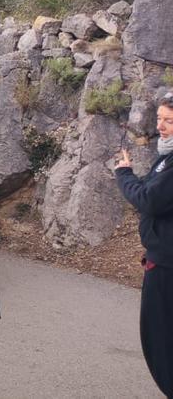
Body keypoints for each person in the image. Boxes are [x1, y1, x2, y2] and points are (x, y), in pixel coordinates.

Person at [113, 93, 173, 398]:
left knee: (160, 337)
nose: (160, 127)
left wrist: (124, 175)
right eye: (160, 119)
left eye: (169, 121)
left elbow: (149, 200)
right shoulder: (166, 159)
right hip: (162, 258)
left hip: (166, 264)